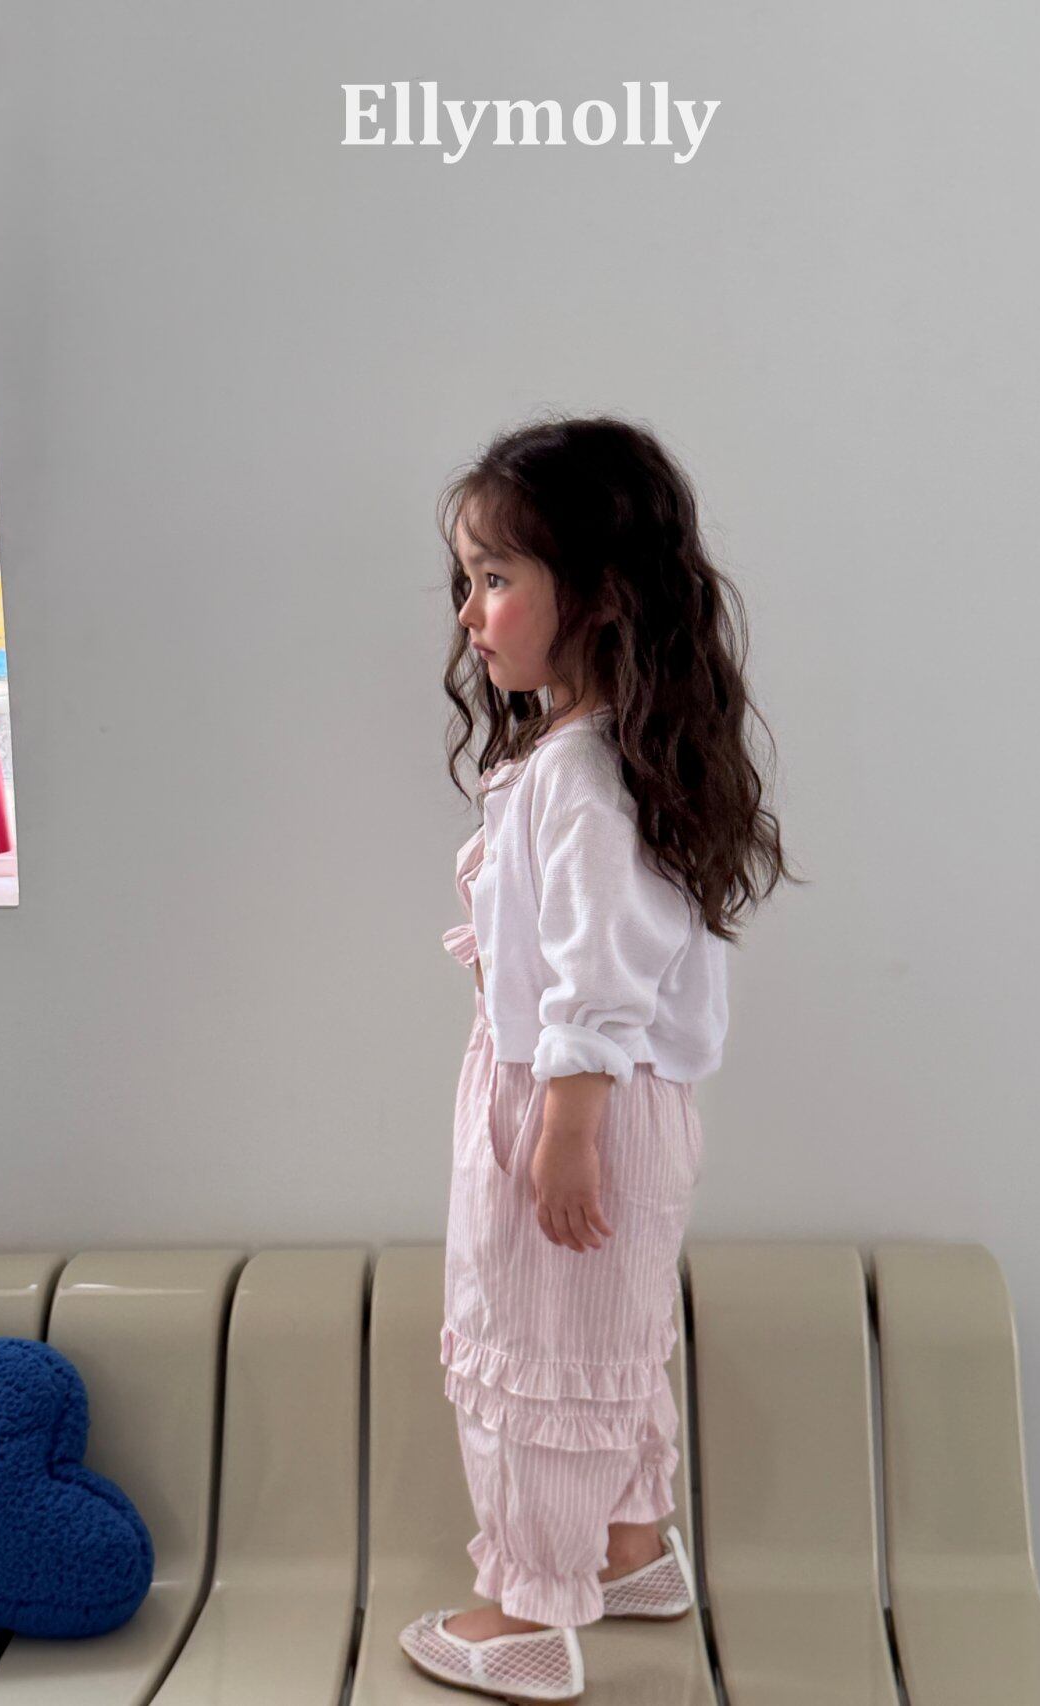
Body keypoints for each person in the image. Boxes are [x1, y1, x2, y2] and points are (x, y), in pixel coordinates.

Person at [399, 413, 799, 1702]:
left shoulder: (582, 775)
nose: (470, 614)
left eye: (497, 577)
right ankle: (629, 1553)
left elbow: (600, 971)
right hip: (605, 1097)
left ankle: (526, 1611)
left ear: (601, 594)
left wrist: (563, 1129)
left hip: (575, 1104)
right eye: (466, 579)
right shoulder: (604, 754)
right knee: (602, 1333)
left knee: (536, 1339)